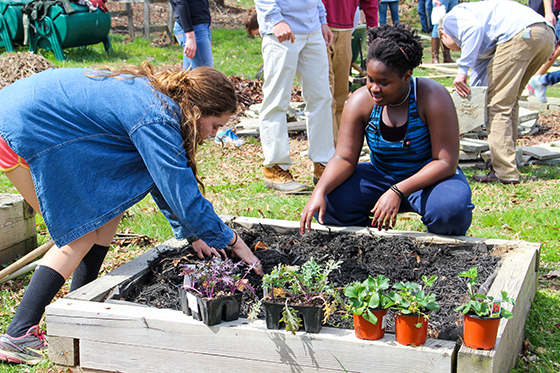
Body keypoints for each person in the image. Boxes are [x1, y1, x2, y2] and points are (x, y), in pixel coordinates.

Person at [0, 63, 263, 365]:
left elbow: (161, 180)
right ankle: (18, 334)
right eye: (215, 125)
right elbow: (180, 189)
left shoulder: (159, 103)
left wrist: (192, 233)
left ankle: (81, 306)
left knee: (106, 217)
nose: (215, 135)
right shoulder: (156, 116)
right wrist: (230, 239)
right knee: (80, 234)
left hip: (31, 119)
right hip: (22, 129)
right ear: (197, 110)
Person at [300, 24, 474, 237]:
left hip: (431, 179)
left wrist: (397, 191)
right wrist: (319, 191)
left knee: (450, 213)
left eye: (384, 82)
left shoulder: (432, 97)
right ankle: (371, 241)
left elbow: (445, 162)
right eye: (371, 79)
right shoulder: (360, 102)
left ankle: (437, 250)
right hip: (381, 175)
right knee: (331, 203)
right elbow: (344, 158)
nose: (374, 88)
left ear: (406, 76)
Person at [440, 0, 555, 184]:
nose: (458, 49)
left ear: (443, 34)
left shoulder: (450, 19)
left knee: (499, 106)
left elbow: (473, 30)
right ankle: (504, 160)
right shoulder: (484, 37)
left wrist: (462, 71)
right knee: (510, 101)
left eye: (453, 47)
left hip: (520, 34)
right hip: (545, 34)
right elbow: (478, 79)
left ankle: (504, 172)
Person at [254, 0, 335, 193]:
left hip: (313, 28)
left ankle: (323, 165)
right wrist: (275, 19)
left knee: (322, 98)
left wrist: (322, 19)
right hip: (281, 28)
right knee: (276, 100)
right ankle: (275, 168)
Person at [323, 0, 378, 146]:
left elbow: (370, 2)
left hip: (346, 28)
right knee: (326, 94)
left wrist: (373, 29)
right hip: (319, 27)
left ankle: (339, 147)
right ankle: (327, 151)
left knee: (340, 94)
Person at [170, 0, 213, 70]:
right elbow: (180, 2)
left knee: (188, 76)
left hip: (202, 26)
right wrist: (190, 37)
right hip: (193, 29)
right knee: (207, 77)